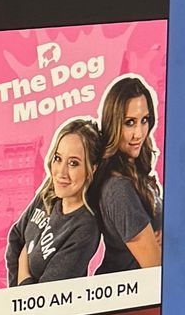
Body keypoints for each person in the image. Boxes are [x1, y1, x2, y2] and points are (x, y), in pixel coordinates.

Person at [13, 118, 102, 286]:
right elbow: (16, 236)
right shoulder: (49, 193)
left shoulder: (85, 228)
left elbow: (43, 299)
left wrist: (23, 263)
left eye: (73, 163)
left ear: (92, 168)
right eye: (58, 158)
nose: (61, 173)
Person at [88, 76, 163, 273]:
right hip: (131, 297)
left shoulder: (134, 170)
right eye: (129, 122)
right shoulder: (119, 188)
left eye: (144, 120)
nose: (139, 133)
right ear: (113, 124)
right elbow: (156, 269)